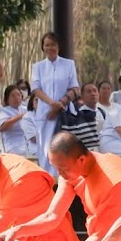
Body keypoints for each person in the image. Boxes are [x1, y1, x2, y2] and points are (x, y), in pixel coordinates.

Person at [29, 32, 80, 176]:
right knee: (45, 151)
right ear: (43, 47)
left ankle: (65, 181)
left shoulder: (68, 64)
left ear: (58, 46)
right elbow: (36, 89)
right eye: (47, 45)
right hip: (45, 114)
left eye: (53, 44)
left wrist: (61, 103)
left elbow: (74, 88)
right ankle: (49, 182)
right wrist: (52, 103)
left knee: (63, 149)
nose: (50, 47)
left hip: (64, 114)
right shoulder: (38, 67)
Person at [60, 83, 103, 152]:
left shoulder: (103, 112)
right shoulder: (79, 116)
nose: (93, 94)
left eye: (95, 91)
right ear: (82, 96)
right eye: (89, 92)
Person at [0, 86, 33, 157]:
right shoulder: (4, 111)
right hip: (14, 145)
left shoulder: (25, 109)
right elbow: (2, 127)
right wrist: (19, 116)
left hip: (28, 143)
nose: (16, 97)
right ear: (7, 99)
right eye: (13, 96)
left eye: (18, 95)